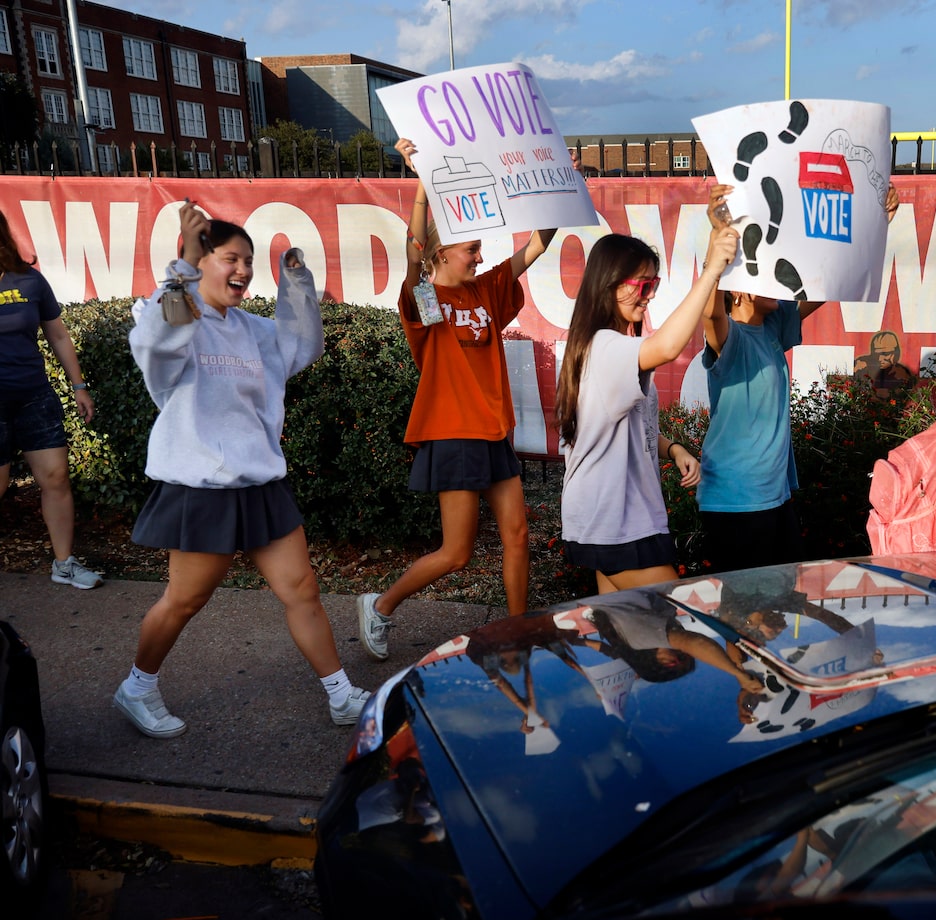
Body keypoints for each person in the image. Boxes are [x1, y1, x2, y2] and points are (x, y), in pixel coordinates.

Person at [116, 200, 368, 738]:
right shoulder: (172, 315)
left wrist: (295, 281)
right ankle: (137, 686)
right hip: (202, 485)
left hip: (260, 482)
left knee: (301, 588)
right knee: (185, 600)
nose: (244, 270)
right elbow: (161, 343)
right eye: (231, 258)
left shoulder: (253, 329)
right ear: (200, 263)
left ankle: (341, 694)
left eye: (249, 261)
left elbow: (301, 347)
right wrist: (181, 265)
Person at [357, 138, 559, 661]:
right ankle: (380, 605)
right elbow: (411, 254)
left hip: (493, 432)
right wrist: (422, 179)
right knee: (457, 553)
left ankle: (517, 632)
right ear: (442, 252)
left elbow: (537, 246)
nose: (480, 254)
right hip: (452, 432)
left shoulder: (486, 291)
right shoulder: (426, 300)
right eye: (471, 248)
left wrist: (555, 188)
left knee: (517, 536)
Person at [696, 185, 899, 573]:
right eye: (769, 273)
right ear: (739, 291)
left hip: (775, 498)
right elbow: (709, 313)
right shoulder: (730, 339)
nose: (781, 280)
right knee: (746, 614)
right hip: (736, 502)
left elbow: (833, 282)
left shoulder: (774, 327)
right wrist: (716, 236)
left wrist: (877, 222)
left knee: (779, 607)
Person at [555, 203, 738, 595]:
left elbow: (625, 426)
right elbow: (669, 346)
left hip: (618, 517)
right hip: (613, 521)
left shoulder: (607, 346)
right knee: (685, 615)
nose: (649, 296)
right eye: (643, 286)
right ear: (610, 284)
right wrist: (711, 271)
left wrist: (672, 449)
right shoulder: (606, 347)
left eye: (652, 285)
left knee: (625, 633)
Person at [0, 209, 101, 589]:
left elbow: (57, 335)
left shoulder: (29, 281)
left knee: (56, 477)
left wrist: (78, 386)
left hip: (32, 395)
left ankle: (64, 563)